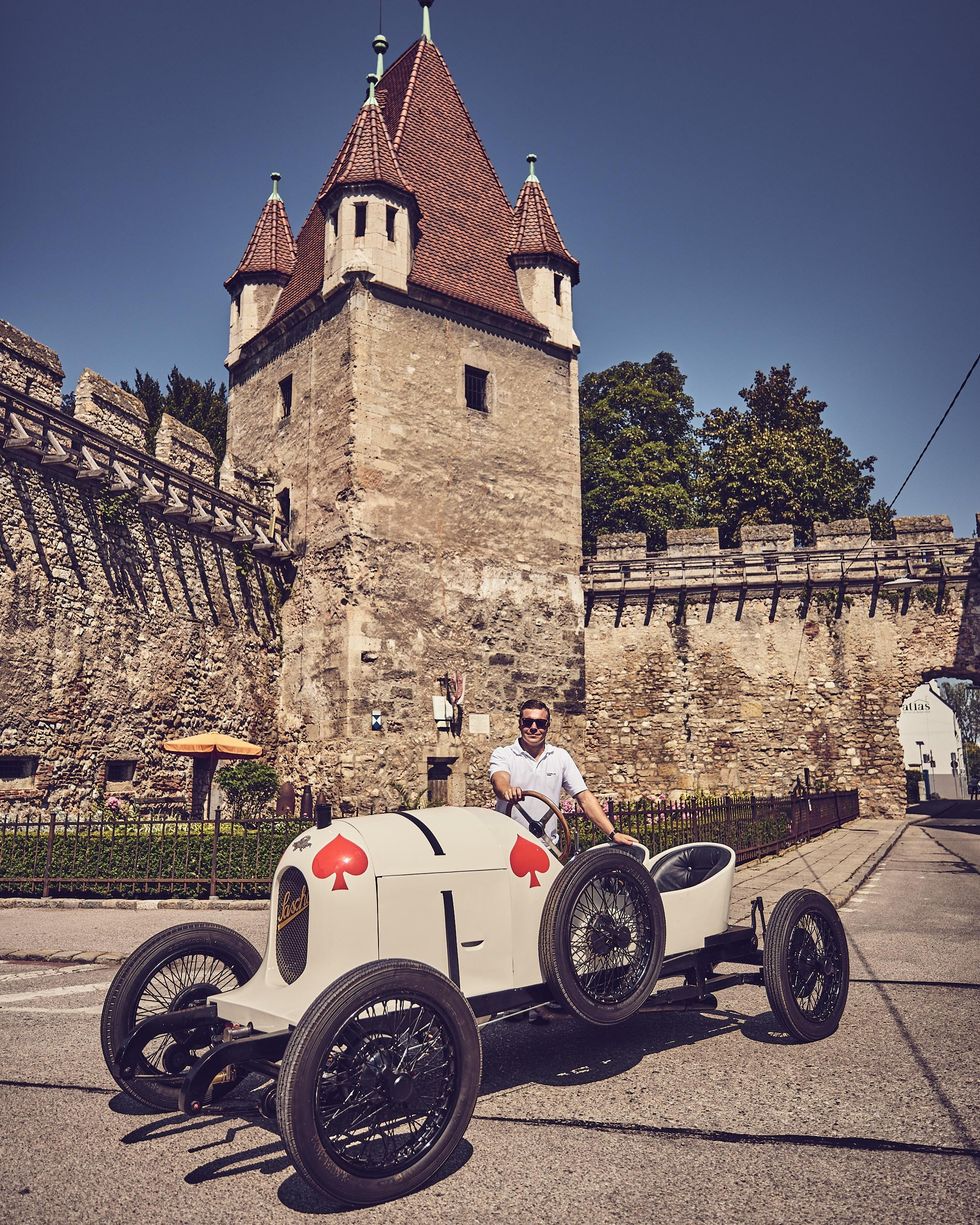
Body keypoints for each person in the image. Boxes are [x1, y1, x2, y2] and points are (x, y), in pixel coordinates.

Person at [489, 697, 637, 1024]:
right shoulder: (504, 755)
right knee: (512, 921)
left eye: (540, 723)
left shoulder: (560, 757)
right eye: (528, 721)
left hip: (548, 853)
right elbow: (498, 780)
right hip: (509, 851)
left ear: (548, 726)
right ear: (519, 723)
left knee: (545, 921)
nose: (533, 727)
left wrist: (612, 833)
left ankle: (542, 993)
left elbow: (583, 797)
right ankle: (516, 998)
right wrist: (507, 790)